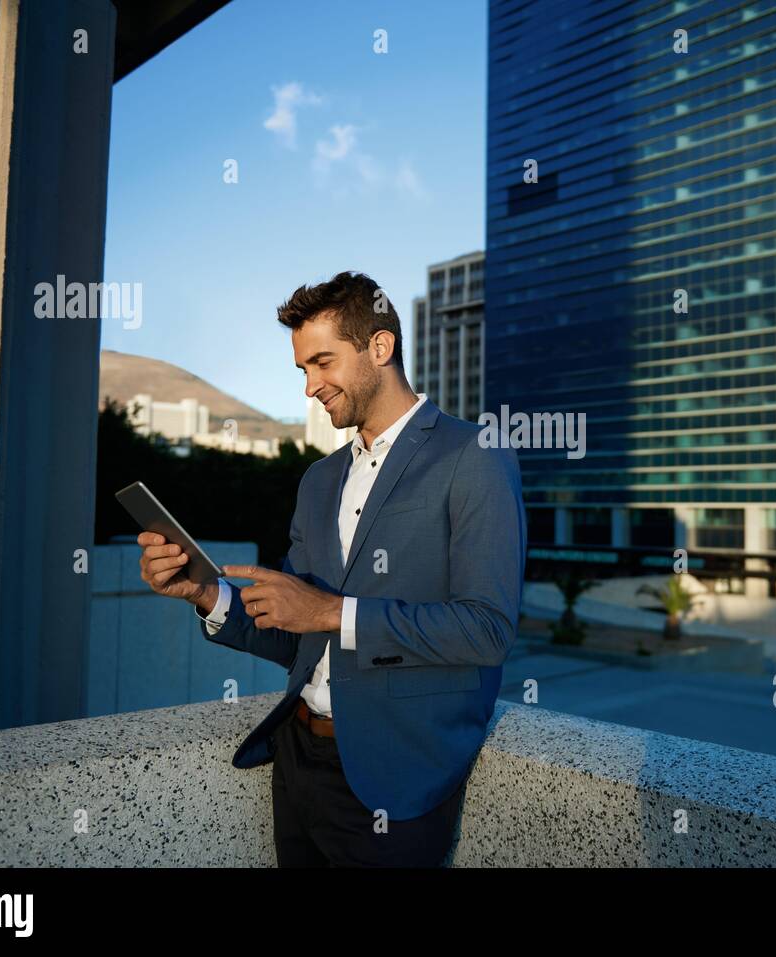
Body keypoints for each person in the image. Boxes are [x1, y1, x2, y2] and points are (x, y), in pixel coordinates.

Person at [138, 271, 526, 867]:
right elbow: (296, 631)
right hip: (296, 759)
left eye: (322, 363)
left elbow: (486, 630)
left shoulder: (473, 457)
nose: (310, 387)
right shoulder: (318, 481)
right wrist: (206, 593)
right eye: (302, 370)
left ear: (379, 347)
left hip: (396, 782)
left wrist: (330, 611)